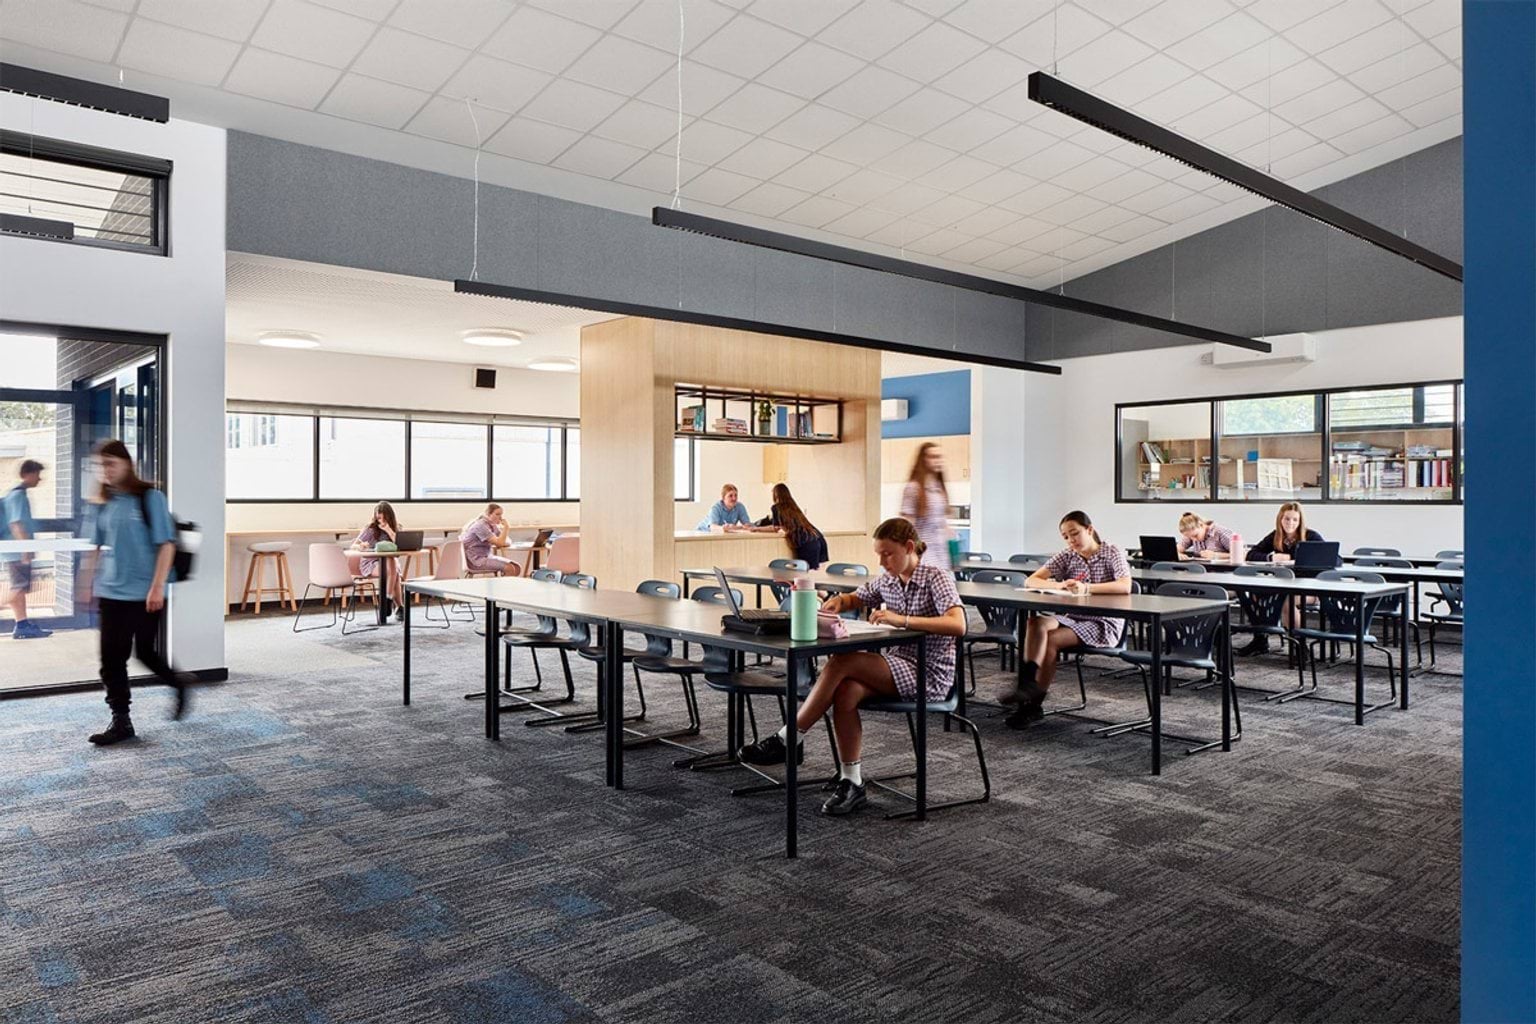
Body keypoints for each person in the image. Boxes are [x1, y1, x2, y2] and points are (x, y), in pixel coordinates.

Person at [737, 518, 965, 817]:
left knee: (844, 660)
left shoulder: (937, 577)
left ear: (909, 548)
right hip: (897, 665)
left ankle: (788, 738)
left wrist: (902, 620)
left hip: (929, 673)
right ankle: (851, 781)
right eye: (878, 554)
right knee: (846, 692)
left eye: (887, 554)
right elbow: (859, 596)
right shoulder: (889, 579)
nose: (882, 561)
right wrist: (839, 601)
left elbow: (958, 624)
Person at [82, 439, 190, 745]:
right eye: (99, 465)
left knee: (145, 653)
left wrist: (157, 587)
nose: (104, 471)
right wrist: (86, 582)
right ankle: (121, 721)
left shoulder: (149, 498)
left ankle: (178, 684)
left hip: (146, 593)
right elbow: (95, 547)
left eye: (109, 464)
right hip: (112, 592)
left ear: (126, 463)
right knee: (111, 660)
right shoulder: (103, 502)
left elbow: (166, 544)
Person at [999, 510, 1132, 730]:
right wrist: (1058, 585)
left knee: (1052, 640)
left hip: (1103, 622)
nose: (1071, 540)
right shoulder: (1068, 554)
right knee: (1036, 623)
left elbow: (1125, 586)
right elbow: (1031, 581)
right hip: (1073, 616)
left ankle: (1032, 707)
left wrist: (1087, 588)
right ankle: (1028, 682)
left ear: (1089, 530)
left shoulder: (1111, 552)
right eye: (1066, 537)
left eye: (1075, 533)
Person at [1238, 501, 1325, 655]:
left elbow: (1334, 558)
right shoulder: (1275, 536)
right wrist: (1272, 557)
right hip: (1281, 586)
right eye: (1286, 519)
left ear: (1300, 521)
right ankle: (1260, 639)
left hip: (1309, 589)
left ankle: (1299, 645)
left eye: (1294, 520)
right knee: (1254, 595)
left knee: (1286, 600)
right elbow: (1252, 554)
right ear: (1280, 519)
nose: (1290, 523)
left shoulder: (1311, 536)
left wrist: (1300, 558)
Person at [5, 459, 51, 640]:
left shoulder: (18, 494)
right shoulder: (17, 496)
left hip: (17, 549)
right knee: (19, 588)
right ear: (27, 474)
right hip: (18, 550)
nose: (39, 479)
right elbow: (15, 523)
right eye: (37, 475)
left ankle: (22, 625)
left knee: (20, 587)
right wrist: (26, 549)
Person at [750, 483, 829, 568]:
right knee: (815, 575)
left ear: (775, 495)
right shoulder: (793, 506)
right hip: (819, 538)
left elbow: (775, 528)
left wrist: (756, 529)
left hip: (806, 542)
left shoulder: (776, 507)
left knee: (806, 575)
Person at [900, 442, 952, 571]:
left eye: (939, 457)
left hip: (941, 552)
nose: (938, 461)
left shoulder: (938, 487)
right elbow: (907, 524)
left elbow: (942, 521)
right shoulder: (913, 488)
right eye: (933, 457)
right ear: (923, 460)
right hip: (923, 553)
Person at [351, 501, 406, 617]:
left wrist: (389, 530)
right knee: (394, 570)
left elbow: (401, 546)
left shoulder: (396, 528)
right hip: (371, 562)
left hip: (391, 563)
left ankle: (389, 601)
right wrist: (361, 546)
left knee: (392, 562)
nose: (380, 521)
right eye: (378, 518)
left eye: (383, 518)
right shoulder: (371, 529)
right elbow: (354, 545)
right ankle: (396, 604)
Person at [460, 502, 521, 576]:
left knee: (517, 567)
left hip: (487, 556)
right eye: (497, 514)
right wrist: (506, 528)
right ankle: (505, 587)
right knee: (509, 568)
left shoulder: (492, 525)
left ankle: (504, 585)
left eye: (501, 514)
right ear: (489, 514)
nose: (501, 517)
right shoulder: (481, 526)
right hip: (476, 560)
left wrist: (502, 541)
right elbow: (500, 543)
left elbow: (507, 540)